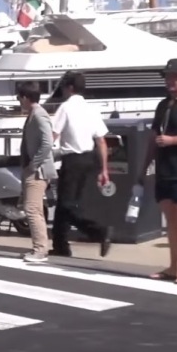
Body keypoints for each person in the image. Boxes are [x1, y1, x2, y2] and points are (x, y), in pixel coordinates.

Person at [50, 71, 114, 258]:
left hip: (72, 160)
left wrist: (42, 156)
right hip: (89, 159)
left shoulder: (65, 108)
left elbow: (53, 135)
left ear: (69, 88)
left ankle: (99, 231)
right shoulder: (91, 109)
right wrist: (104, 170)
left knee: (67, 206)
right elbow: (101, 141)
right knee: (65, 204)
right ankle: (60, 245)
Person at [146, 58, 177, 283]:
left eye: (172, 77)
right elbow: (154, 137)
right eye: (166, 77)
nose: (168, 81)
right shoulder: (163, 105)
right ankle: (174, 266)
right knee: (171, 219)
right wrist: (144, 165)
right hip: (165, 169)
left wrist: (173, 140)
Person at [17, 81, 57, 262]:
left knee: (31, 209)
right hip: (33, 168)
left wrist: (34, 164)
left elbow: (48, 142)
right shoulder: (34, 114)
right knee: (36, 209)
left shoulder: (39, 115)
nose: (19, 101)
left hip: (38, 171)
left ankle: (40, 250)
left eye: (19, 98)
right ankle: (41, 247)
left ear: (25, 98)